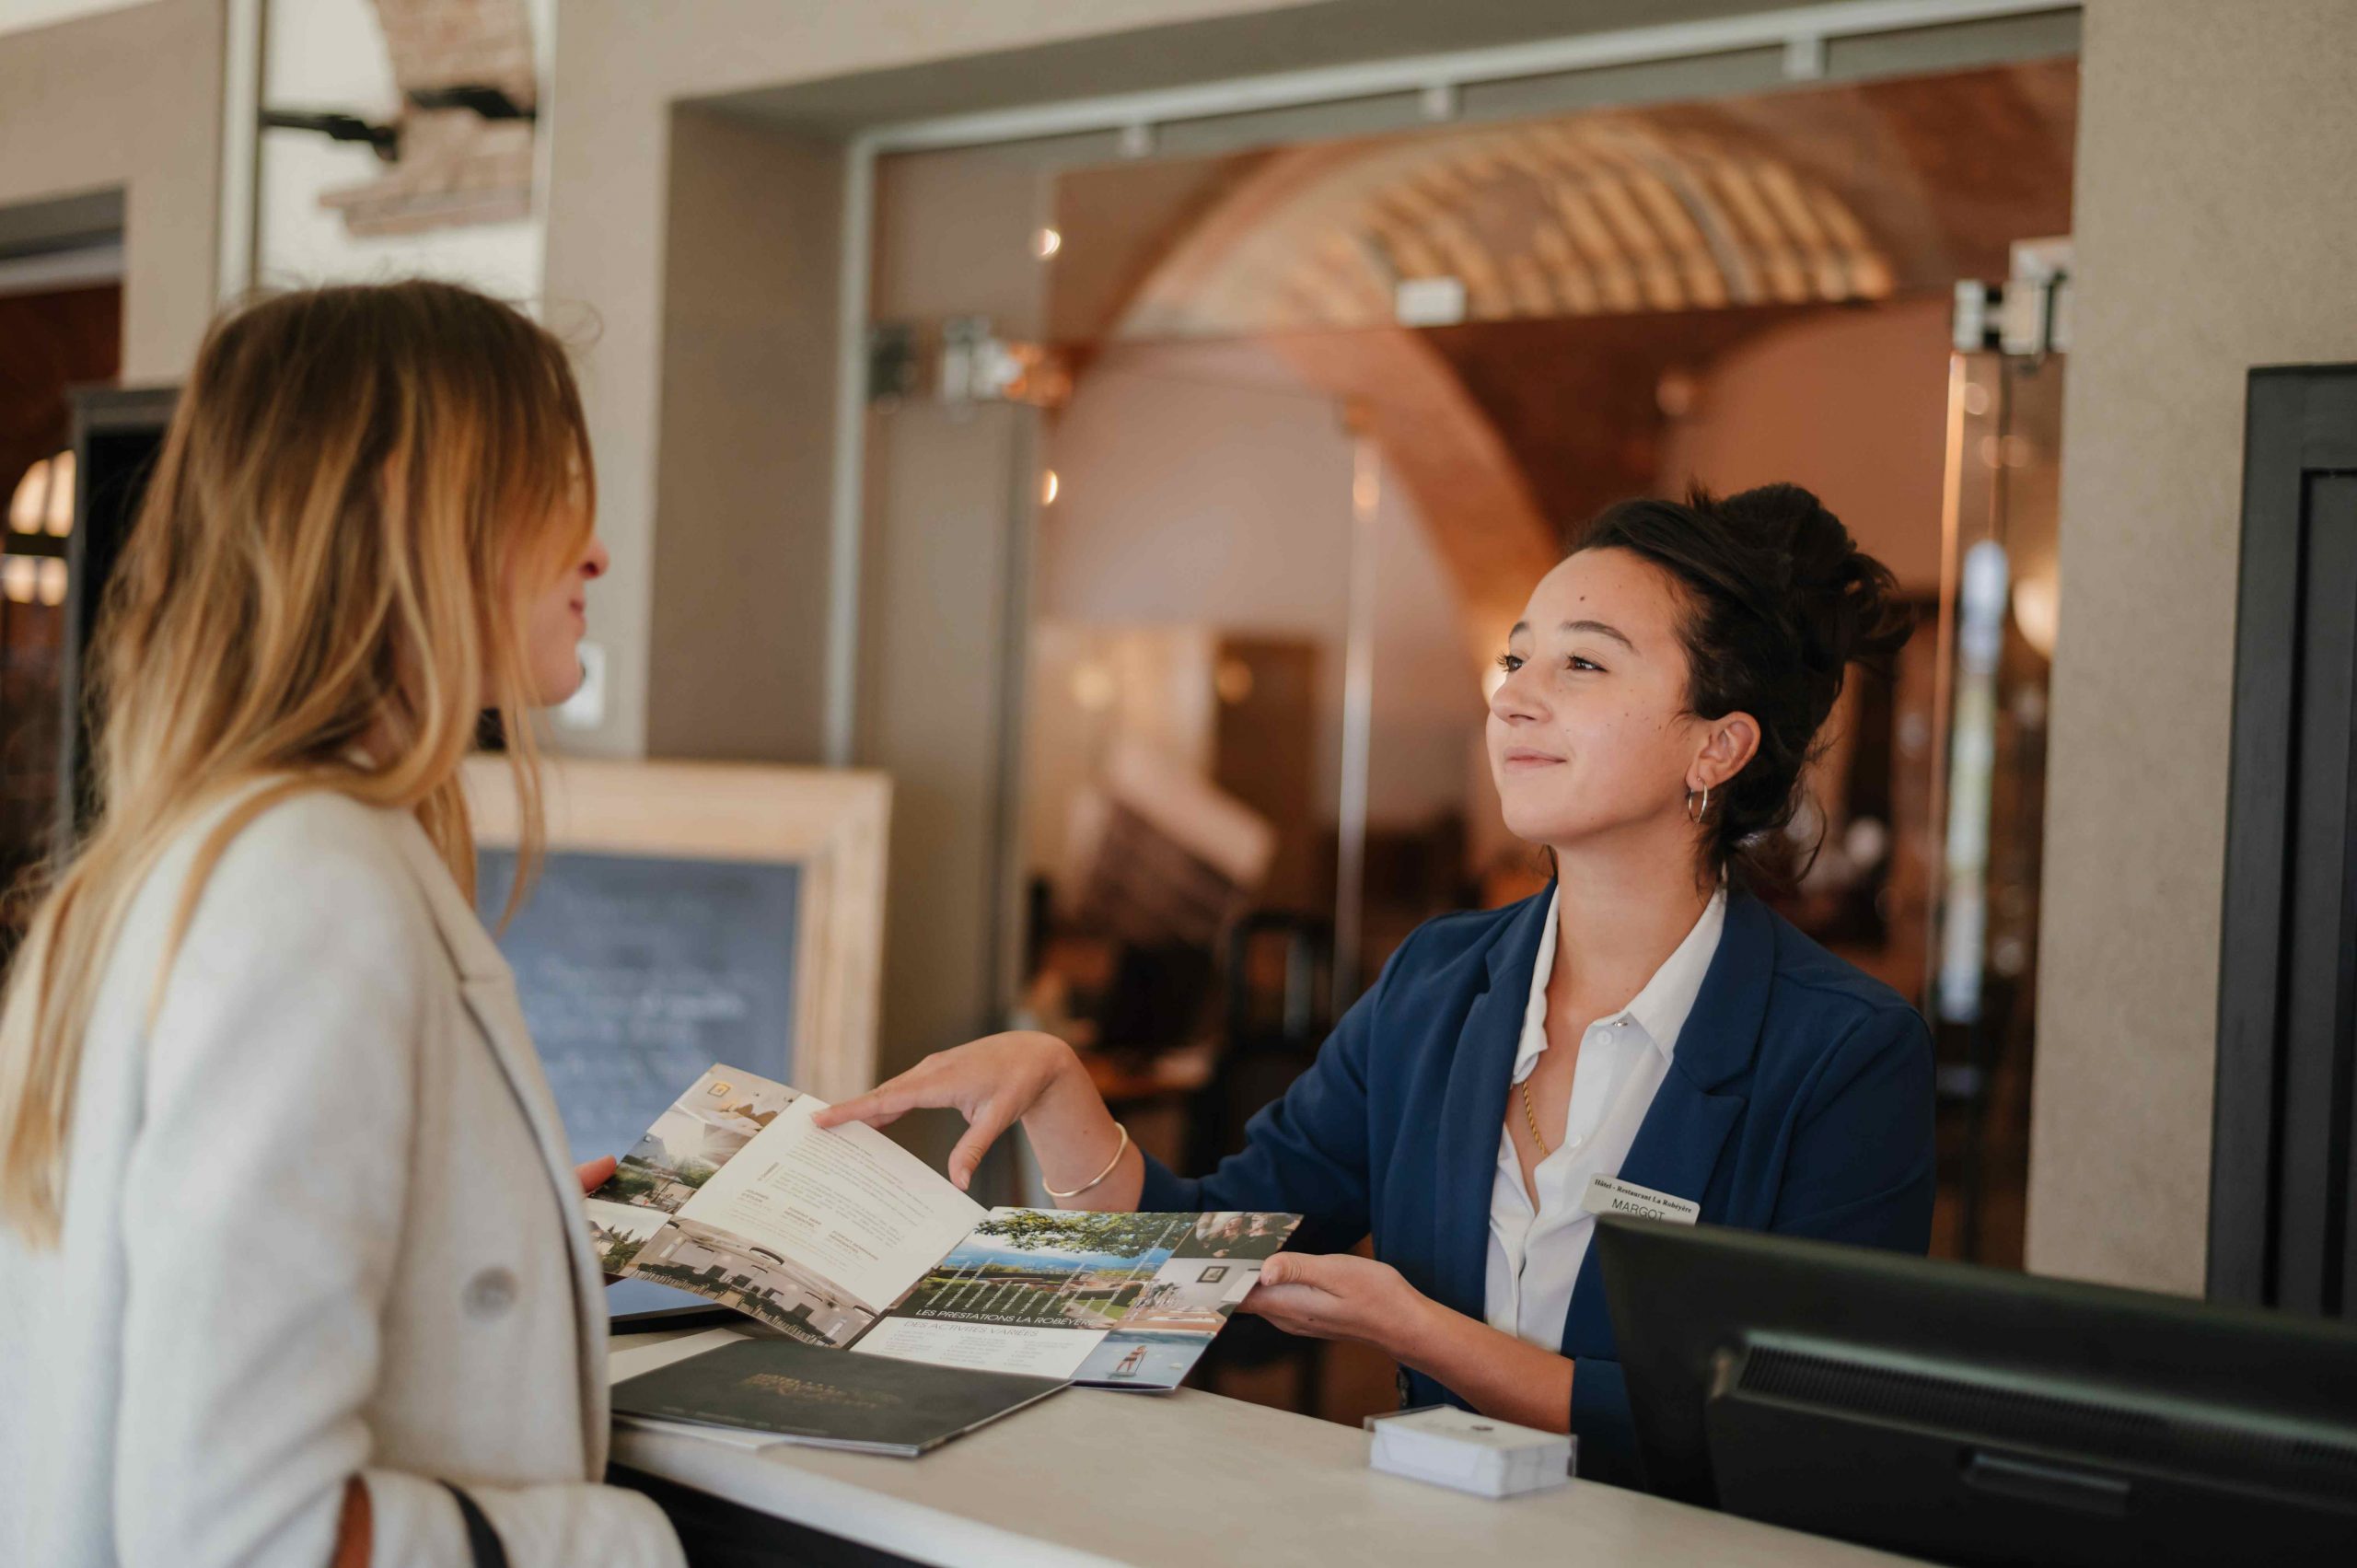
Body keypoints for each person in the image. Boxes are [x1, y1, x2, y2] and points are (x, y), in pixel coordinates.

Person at [818, 483, 1933, 1486]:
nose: (1513, 699)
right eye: (1516, 658)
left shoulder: (1842, 1051)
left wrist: (1424, 1331)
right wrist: (1062, 1094)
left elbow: (1802, 1433)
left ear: (1719, 746)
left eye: (1581, 663)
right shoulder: (1439, 983)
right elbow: (1203, 1255)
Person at [0, 284, 684, 1567]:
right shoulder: (307, 881)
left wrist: (507, 1244)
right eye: (551, 489)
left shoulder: (169, 857)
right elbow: (246, 1530)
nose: (593, 552)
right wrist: (612, 1543)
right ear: (418, 515)